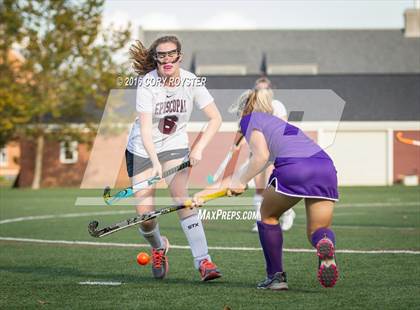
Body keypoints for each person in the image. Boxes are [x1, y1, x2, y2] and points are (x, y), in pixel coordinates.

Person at [194, 88, 339, 290]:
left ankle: (276, 278)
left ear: (245, 109)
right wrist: (203, 195)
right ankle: (325, 245)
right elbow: (247, 169)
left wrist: (242, 181)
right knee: (318, 229)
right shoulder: (280, 124)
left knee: (267, 216)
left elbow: (260, 157)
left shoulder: (249, 120)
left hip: (294, 168)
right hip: (325, 167)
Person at [127, 35, 222, 281]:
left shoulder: (191, 81)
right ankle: (159, 247)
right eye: (161, 55)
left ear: (179, 55)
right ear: (155, 58)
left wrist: (198, 148)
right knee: (146, 218)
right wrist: (155, 162)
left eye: (171, 54)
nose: (167, 59)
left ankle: (204, 262)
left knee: (182, 200)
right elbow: (146, 129)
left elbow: (216, 119)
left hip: (175, 146)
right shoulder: (148, 83)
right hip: (142, 149)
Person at [229, 77, 296, 232]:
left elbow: (284, 127)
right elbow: (243, 129)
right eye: (258, 89)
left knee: (276, 185)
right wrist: (236, 144)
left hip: (275, 151)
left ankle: (287, 212)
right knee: (260, 187)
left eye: (264, 89)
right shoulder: (251, 105)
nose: (261, 92)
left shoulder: (277, 105)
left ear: (270, 90)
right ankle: (260, 220)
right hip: (258, 152)